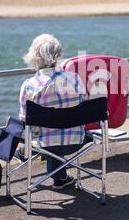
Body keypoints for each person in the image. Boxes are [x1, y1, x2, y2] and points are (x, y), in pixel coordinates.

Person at [15, 34, 89, 190]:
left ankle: (23, 153)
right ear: (58, 55)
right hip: (76, 141)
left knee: (46, 134)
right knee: (58, 129)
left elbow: (24, 121)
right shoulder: (74, 79)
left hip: (45, 144)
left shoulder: (29, 86)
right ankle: (60, 179)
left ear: (33, 56)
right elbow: (85, 107)